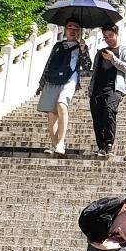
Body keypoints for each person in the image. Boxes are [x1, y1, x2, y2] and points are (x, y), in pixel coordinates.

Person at [37, 21, 91, 156]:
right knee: (52, 114)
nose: (72, 31)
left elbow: (87, 66)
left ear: (80, 31)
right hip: (53, 80)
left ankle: (61, 142)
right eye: (70, 28)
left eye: (76, 28)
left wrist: (83, 50)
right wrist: (41, 83)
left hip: (70, 80)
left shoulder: (81, 47)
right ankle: (54, 144)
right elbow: (49, 64)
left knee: (62, 104)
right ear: (65, 29)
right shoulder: (57, 46)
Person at [89, 23, 126, 157]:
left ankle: (109, 144)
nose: (108, 39)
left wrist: (113, 59)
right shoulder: (100, 52)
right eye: (105, 37)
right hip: (97, 88)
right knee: (97, 117)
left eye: (110, 36)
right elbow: (93, 70)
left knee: (109, 112)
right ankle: (101, 146)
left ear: (116, 34)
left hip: (114, 88)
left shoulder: (124, 50)